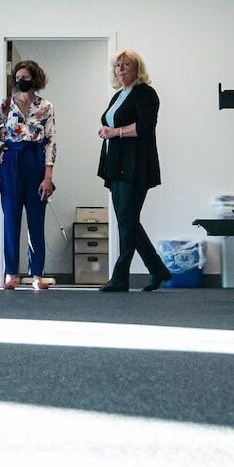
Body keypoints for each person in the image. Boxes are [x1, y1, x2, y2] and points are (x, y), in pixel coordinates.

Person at [96, 49, 173, 293]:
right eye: (118, 65)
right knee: (128, 221)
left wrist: (115, 132)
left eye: (126, 65)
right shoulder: (118, 95)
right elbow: (111, 123)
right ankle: (158, 269)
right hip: (116, 165)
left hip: (136, 165)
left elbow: (145, 127)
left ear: (137, 69)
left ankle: (121, 277)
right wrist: (107, 131)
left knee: (127, 222)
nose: (120, 69)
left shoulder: (146, 94)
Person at [0, 60, 57, 290]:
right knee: (11, 218)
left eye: (25, 77)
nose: (20, 81)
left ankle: (37, 275)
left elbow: (51, 142)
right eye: (18, 77)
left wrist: (48, 176)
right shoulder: (5, 106)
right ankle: (11, 273)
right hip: (11, 161)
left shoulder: (45, 106)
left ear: (35, 79)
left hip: (35, 160)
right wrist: (0, 148)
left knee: (36, 220)